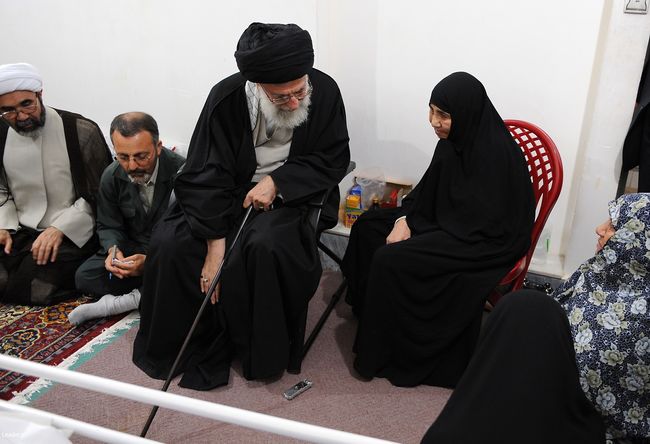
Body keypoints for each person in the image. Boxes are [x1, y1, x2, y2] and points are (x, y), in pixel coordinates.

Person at [133, 23, 350, 390]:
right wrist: (214, 246)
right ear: (258, 85)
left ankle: (257, 350)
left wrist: (279, 181)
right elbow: (206, 170)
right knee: (171, 243)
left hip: (291, 194)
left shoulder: (325, 90)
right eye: (281, 97)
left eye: (299, 91)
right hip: (226, 190)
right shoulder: (227, 97)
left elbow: (333, 156)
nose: (294, 102)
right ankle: (184, 344)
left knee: (264, 245)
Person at [341, 72, 535, 388]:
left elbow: (480, 223)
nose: (434, 121)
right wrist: (405, 221)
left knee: (391, 258)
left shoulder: (497, 156)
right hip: (447, 223)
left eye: (443, 114)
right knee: (368, 227)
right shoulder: (452, 143)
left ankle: (383, 351)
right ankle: (375, 316)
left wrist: (418, 229)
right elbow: (426, 194)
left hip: (483, 241)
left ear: (466, 114)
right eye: (431, 111)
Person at [422, 193, 650, 444]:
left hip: (582, 420)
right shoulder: (597, 273)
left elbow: (601, 390)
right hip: (544, 393)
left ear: (639, 243)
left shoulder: (641, 317)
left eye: (614, 226)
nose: (599, 229)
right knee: (522, 307)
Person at [0, 63, 111, 306]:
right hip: (20, 230)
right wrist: (3, 226)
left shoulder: (79, 130)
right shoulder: (1, 133)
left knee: (36, 289)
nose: (21, 116)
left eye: (26, 104)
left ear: (39, 94)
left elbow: (100, 195)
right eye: (8, 110)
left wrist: (60, 228)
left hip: (72, 233)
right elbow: (2, 189)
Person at [68, 112, 184, 325]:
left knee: (192, 273)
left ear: (158, 147)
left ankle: (127, 301)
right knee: (85, 276)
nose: (132, 166)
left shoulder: (182, 173)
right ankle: (152, 291)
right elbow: (108, 224)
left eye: (141, 156)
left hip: (170, 254)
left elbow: (190, 234)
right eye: (123, 157)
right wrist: (114, 252)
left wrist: (150, 262)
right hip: (134, 249)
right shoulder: (111, 175)